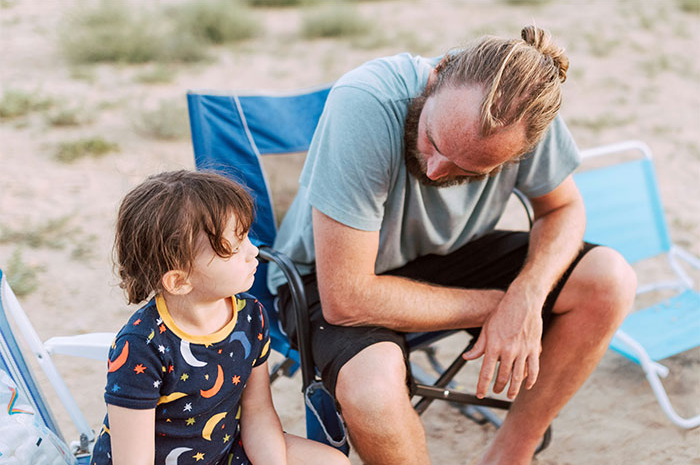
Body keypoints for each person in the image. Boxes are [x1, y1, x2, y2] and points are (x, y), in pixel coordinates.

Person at [269, 26, 637, 465]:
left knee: (608, 280)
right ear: (439, 73)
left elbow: (563, 209)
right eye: (434, 140)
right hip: (331, 276)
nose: (437, 169)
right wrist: (501, 308)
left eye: (472, 168)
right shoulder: (365, 101)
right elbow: (345, 299)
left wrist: (528, 293)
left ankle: (511, 455)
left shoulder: (526, 115)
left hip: (447, 254)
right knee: (372, 389)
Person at [91, 171, 349, 465]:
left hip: (224, 451)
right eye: (234, 248)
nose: (253, 251)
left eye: (246, 236)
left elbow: (258, 413)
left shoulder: (250, 316)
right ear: (178, 281)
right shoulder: (142, 347)